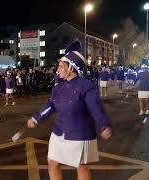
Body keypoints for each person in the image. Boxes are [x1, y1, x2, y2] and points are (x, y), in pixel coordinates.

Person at [27, 41, 112, 180]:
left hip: (80, 133)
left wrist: (104, 124)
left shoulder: (87, 86)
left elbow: (96, 108)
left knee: (81, 166)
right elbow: (51, 105)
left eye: (61, 66)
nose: (57, 70)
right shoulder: (58, 87)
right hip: (59, 131)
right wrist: (37, 118)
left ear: (71, 68)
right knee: (52, 163)